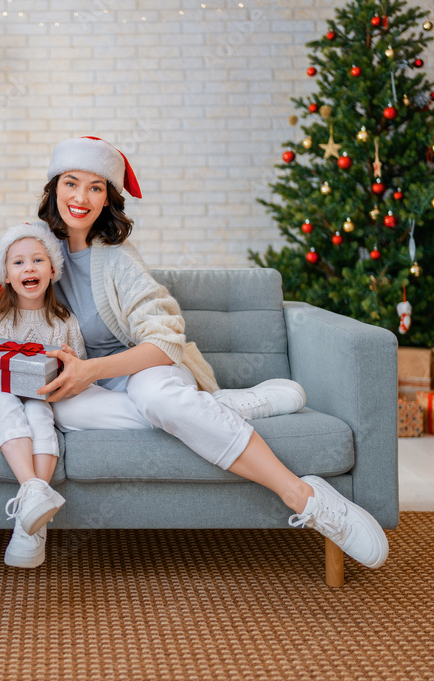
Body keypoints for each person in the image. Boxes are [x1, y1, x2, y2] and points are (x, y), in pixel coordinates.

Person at [36, 136, 389, 570]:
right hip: (96, 384)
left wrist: (91, 370)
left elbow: (164, 342)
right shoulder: (37, 250)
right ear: (54, 187)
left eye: (96, 187)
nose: (81, 197)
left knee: (158, 399)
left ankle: (305, 496)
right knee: (64, 412)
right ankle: (214, 409)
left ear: (108, 198)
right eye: (71, 183)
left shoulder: (117, 259)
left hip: (147, 367)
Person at [0, 223, 86, 568]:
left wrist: (68, 371)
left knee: (38, 408)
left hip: (41, 397)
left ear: (52, 270)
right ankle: (33, 491)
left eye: (37, 260)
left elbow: (81, 373)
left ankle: (31, 523)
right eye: (18, 263)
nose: (28, 268)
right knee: (5, 399)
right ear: (7, 274)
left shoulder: (64, 323)